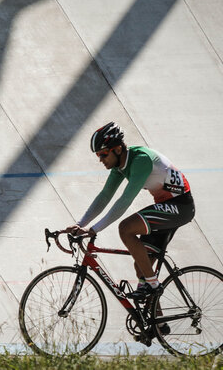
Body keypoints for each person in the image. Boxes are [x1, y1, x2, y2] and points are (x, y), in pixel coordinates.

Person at [67, 122, 195, 299]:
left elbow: (124, 201)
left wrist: (93, 229)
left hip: (181, 206)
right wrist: (79, 224)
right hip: (166, 206)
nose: (100, 159)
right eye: (98, 155)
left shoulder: (140, 160)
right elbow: (105, 196)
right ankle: (157, 325)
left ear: (118, 149)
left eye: (103, 154)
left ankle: (153, 285)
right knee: (141, 266)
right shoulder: (120, 165)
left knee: (126, 228)